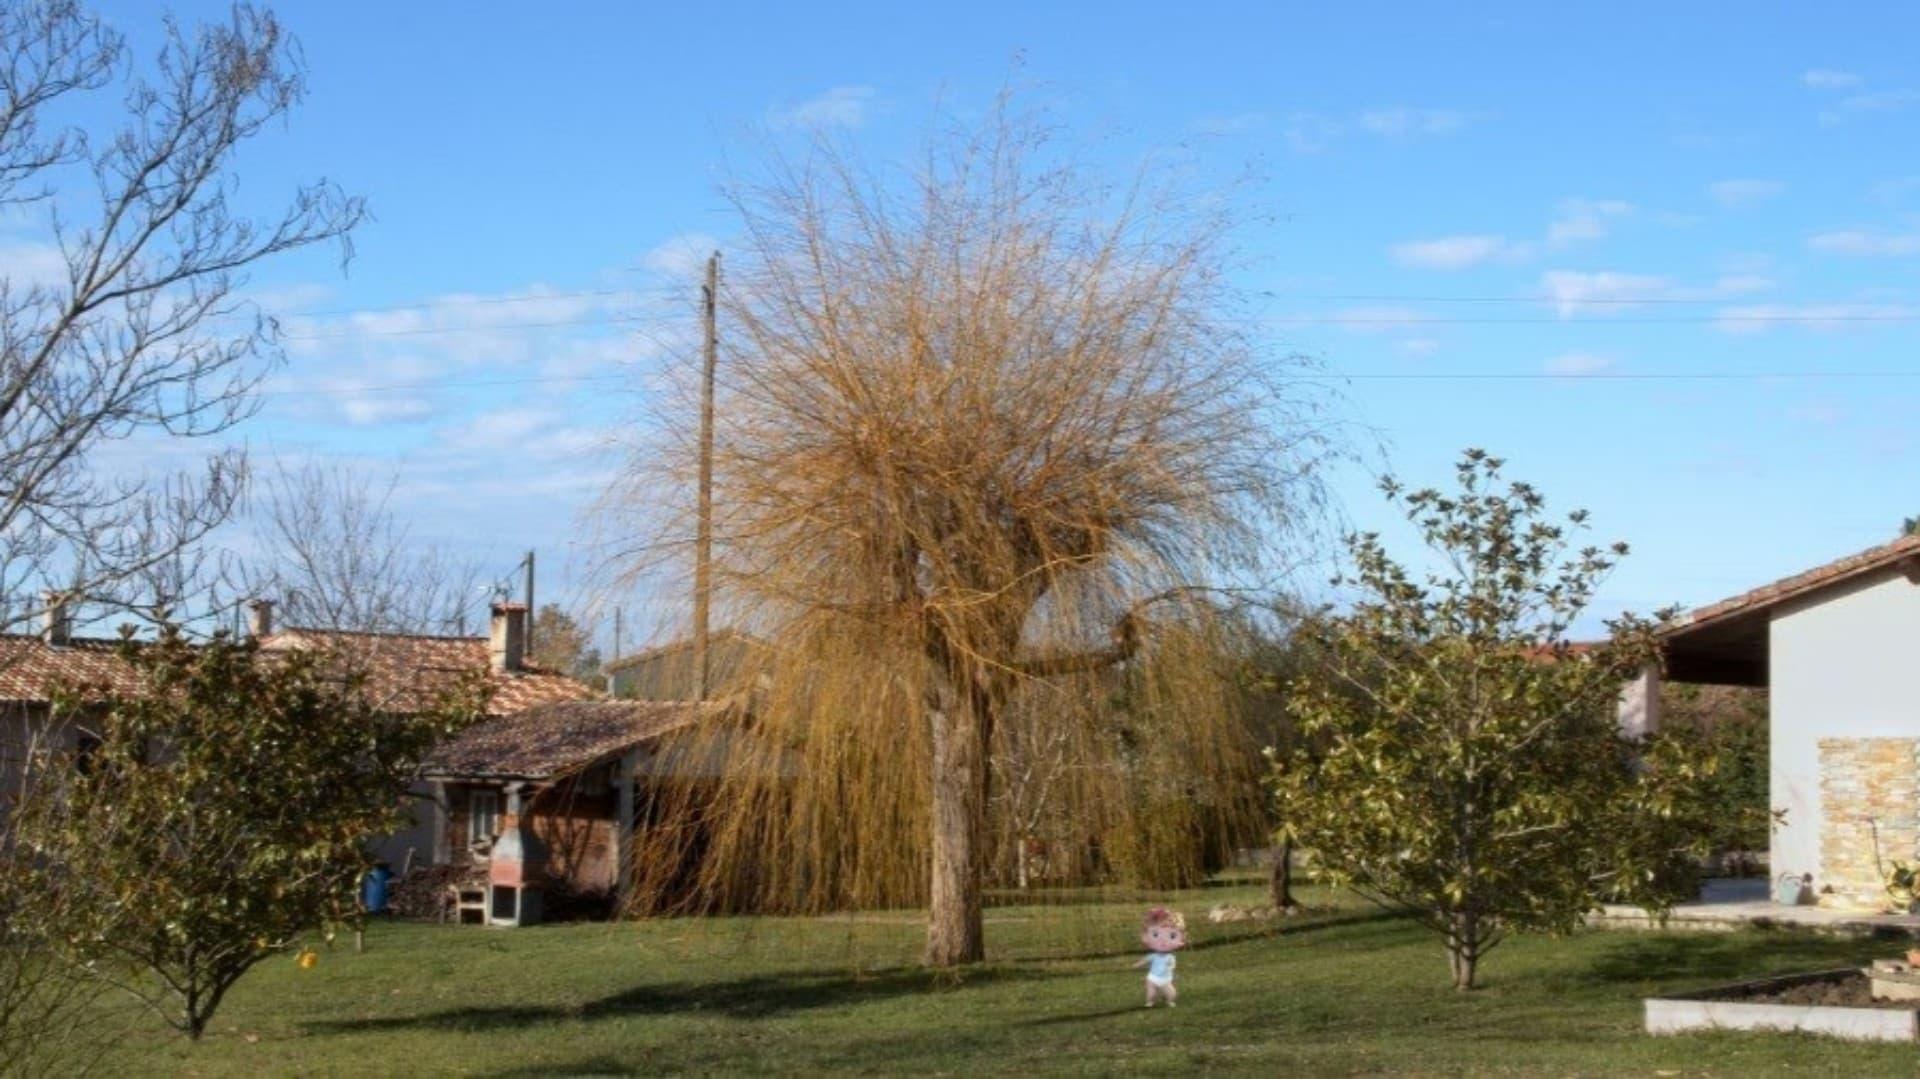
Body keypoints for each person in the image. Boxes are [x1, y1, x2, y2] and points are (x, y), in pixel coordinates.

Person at [1133, 906, 1186, 1008]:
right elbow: (1145, 960)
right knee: (1151, 993)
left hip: (1165, 979)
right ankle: (1150, 1002)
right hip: (1152, 978)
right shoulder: (1153, 956)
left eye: (1172, 936)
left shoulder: (1170, 958)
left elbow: (1171, 966)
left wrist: (1169, 968)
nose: (1163, 941)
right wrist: (1137, 964)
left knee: (1172, 994)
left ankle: (1169, 1000)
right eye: (1156, 935)